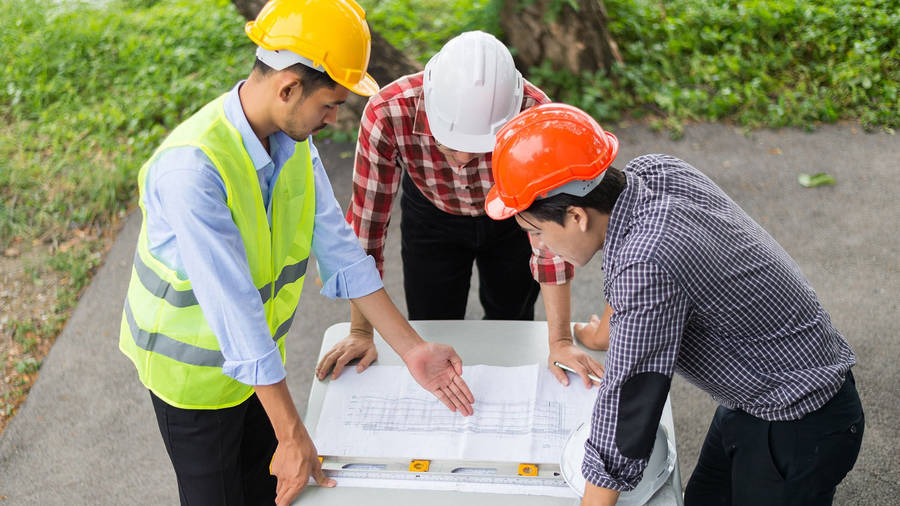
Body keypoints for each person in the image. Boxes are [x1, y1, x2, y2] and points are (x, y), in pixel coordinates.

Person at [118, 1, 474, 505]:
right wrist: (290, 433)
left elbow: (343, 254)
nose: (334, 119)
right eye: (329, 105)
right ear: (288, 88)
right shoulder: (192, 172)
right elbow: (235, 310)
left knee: (272, 490)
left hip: (260, 373)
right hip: (194, 383)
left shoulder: (293, 146)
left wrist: (413, 350)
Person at [485, 103, 863, 506]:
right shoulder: (655, 172)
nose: (540, 246)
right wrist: (599, 335)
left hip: (799, 418)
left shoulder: (647, 262)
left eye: (537, 232)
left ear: (577, 216)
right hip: (754, 397)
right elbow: (635, 271)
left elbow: (629, 407)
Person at [315, 31, 605, 388]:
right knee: (432, 320)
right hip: (430, 216)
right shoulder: (388, 112)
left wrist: (560, 341)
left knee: (512, 321)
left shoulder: (535, 113)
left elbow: (550, 240)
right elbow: (367, 229)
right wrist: (361, 331)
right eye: (451, 144)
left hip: (514, 221)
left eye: (481, 146)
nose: (464, 159)